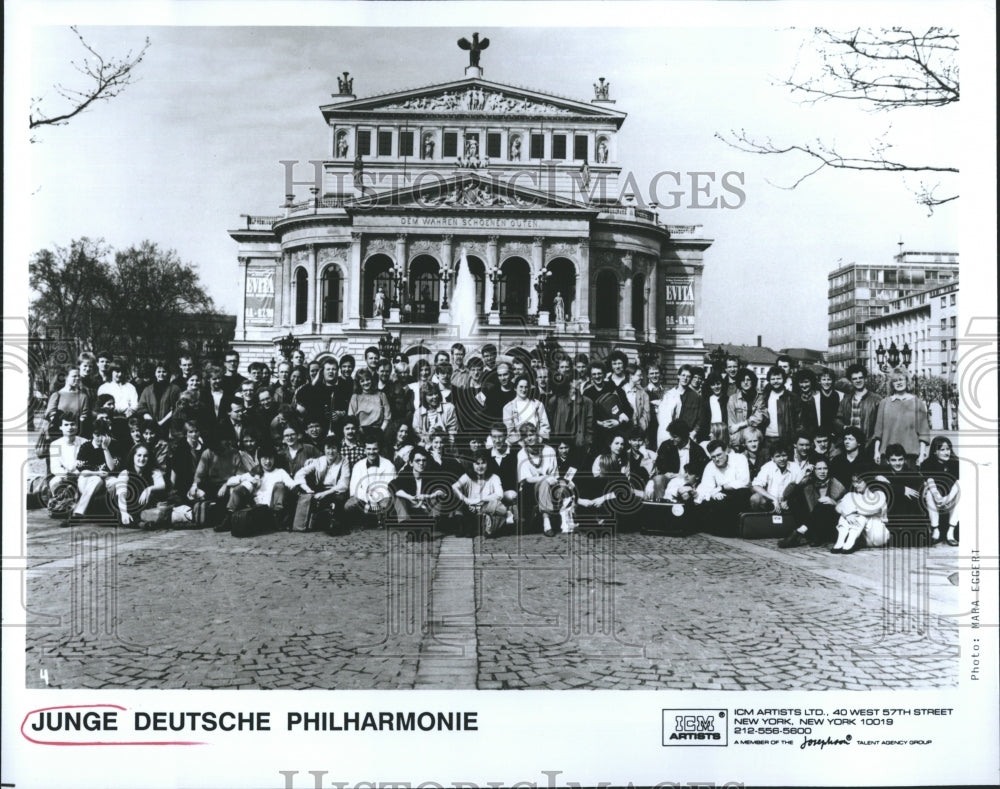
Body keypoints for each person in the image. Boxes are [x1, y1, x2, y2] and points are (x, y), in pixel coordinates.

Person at [778, 455, 847, 548]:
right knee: (795, 499)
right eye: (819, 469)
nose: (822, 472)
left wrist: (834, 503)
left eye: (825, 468)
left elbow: (846, 507)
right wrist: (801, 477)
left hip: (829, 525)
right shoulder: (808, 482)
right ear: (814, 470)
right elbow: (786, 495)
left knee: (823, 504)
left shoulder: (837, 485)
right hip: (812, 523)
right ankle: (813, 535)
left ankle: (800, 532)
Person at [872, 369, 931, 467]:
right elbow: (878, 432)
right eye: (895, 381)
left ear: (907, 381)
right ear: (891, 384)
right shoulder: (884, 403)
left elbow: (923, 432)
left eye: (901, 380)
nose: (898, 383)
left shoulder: (917, 403)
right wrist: (876, 452)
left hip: (911, 456)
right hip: (887, 456)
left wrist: (922, 454)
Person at [292, 435, 351, 531]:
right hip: (319, 490)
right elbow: (299, 474)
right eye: (328, 448)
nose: (330, 452)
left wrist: (324, 493)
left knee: (338, 501)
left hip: (334, 491)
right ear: (324, 449)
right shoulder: (319, 460)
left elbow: (344, 484)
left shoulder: (344, 461)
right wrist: (308, 489)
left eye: (333, 448)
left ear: (338, 449)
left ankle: (333, 524)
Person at [693, 440, 751, 535]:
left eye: (719, 455)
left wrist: (721, 488)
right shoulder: (710, 466)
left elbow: (743, 482)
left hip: (740, 492)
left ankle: (729, 530)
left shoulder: (740, 459)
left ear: (726, 451)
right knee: (706, 504)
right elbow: (706, 486)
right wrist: (713, 494)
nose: (716, 459)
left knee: (731, 500)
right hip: (721, 493)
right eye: (713, 457)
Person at [345, 430, 397, 528]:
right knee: (349, 505)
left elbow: (389, 487)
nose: (371, 452)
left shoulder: (388, 465)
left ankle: (376, 520)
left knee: (387, 504)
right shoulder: (358, 466)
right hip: (363, 498)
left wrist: (375, 499)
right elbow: (354, 489)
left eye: (374, 449)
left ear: (379, 449)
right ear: (364, 450)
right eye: (368, 449)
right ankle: (368, 520)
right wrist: (368, 501)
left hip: (382, 498)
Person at [648, 418, 709, 501]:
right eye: (671, 436)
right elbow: (659, 465)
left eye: (675, 437)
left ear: (684, 436)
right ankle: (662, 504)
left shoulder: (697, 450)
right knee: (658, 479)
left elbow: (702, 471)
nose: (672, 439)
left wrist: (686, 477)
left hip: (688, 481)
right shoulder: (666, 446)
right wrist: (665, 474)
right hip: (669, 480)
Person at [515, 422, 559, 534]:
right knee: (544, 482)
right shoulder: (522, 454)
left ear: (536, 434)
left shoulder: (549, 450)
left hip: (551, 485)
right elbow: (528, 479)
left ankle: (554, 521)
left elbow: (555, 475)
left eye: (531, 434)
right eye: (526, 436)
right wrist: (545, 477)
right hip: (530, 489)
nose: (529, 438)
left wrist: (548, 479)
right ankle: (546, 521)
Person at [452, 449, 507, 537]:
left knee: (498, 506)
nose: (480, 466)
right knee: (457, 501)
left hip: (486, 509)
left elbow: (499, 494)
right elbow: (454, 487)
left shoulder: (494, 477)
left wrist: (479, 500)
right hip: (469, 509)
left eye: (483, 463)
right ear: (472, 465)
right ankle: (465, 526)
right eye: (477, 463)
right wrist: (466, 500)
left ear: (488, 464)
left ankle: (482, 526)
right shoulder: (467, 477)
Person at [831, 473, 889, 553]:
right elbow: (838, 507)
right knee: (847, 511)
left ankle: (849, 543)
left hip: (878, 536)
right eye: (854, 482)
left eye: (859, 482)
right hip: (861, 538)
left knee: (858, 515)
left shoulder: (878, 495)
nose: (856, 485)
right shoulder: (851, 495)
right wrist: (847, 514)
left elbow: (870, 510)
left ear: (867, 481)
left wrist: (849, 512)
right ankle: (841, 542)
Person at [920, 436, 960, 545]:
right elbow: (929, 481)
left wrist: (947, 499)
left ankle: (950, 532)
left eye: (948, 449)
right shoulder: (927, 464)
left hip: (951, 498)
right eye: (942, 450)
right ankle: (935, 529)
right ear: (935, 452)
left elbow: (958, 483)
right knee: (928, 492)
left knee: (962, 488)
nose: (946, 452)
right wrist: (937, 497)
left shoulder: (956, 463)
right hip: (935, 499)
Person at [115, 444, 167, 527]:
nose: (142, 459)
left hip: (144, 506)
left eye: (145, 456)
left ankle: (142, 522)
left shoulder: (153, 471)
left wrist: (149, 489)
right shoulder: (125, 473)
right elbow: (121, 495)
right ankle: (141, 523)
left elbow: (162, 485)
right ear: (133, 457)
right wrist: (124, 512)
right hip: (127, 505)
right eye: (139, 455)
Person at [751, 365, 796, 452]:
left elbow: (797, 419)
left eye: (778, 378)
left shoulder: (791, 397)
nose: (776, 381)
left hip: (785, 439)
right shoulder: (764, 396)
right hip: (767, 438)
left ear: (784, 379)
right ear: (769, 380)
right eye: (773, 379)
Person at [836, 363, 880, 449]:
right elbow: (838, 418)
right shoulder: (846, 400)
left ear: (865, 379)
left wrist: (872, 443)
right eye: (855, 379)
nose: (858, 381)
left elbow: (880, 426)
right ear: (851, 381)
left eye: (860, 378)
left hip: (868, 444)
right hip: (850, 445)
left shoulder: (876, 400)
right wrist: (844, 427)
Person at [749, 443, 802, 513]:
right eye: (778, 456)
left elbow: (800, 487)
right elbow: (755, 486)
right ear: (772, 458)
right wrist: (773, 499)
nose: (782, 459)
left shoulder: (795, 467)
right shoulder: (767, 467)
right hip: (771, 502)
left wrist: (788, 501)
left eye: (784, 455)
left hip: (789, 502)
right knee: (755, 498)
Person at [46, 367, 92, 440]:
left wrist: (75, 428)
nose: (77, 378)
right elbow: (51, 414)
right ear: (66, 377)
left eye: (78, 376)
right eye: (74, 376)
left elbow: (84, 415)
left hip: (77, 432)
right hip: (58, 432)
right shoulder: (57, 395)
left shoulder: (83, 396)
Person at [503, 375, 550, 444]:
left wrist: (540, 439)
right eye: (521, 387)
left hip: (537, 442)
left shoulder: (538, 404)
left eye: (526, 387)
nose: (524, 390)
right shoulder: (508, 407)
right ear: (515, 388)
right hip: (518, 443)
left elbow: (545, 425)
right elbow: (510, 430)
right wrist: (520, 442)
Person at [348, 368, 392, 435]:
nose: (365, 383)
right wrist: (360, 431)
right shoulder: (355, 397)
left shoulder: (382, 395)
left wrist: (381, 431)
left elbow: (387, 417)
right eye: (362, 381)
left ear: (371, 380)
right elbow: (351, 417)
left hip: (379, 431)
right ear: (358, 383)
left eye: (367, 379)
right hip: (361, 432)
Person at [726, 368, 760, 448]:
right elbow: (732, 425)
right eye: (742, 380)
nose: (745, 382)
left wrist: (741, 424)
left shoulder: (759, 398)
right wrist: (737, 443)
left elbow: (759, 418)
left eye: (748, 380)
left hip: (755, 441)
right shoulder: (733, 399)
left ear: (753, 381)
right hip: (738, 442)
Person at [697, 372, 728, 443]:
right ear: (709, 386)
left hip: (723, 434)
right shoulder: (706, 401)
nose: (716, 387)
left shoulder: (727, 400)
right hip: (710, 434)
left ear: (722, 384)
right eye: (713, 385)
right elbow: (703, 422)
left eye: (718, 384)